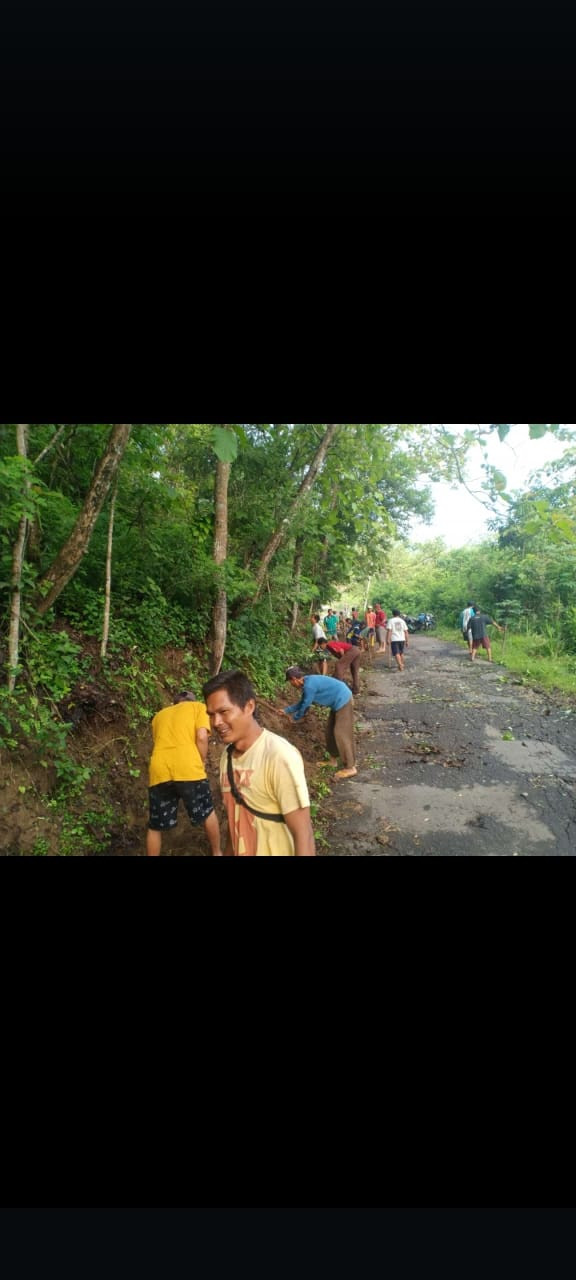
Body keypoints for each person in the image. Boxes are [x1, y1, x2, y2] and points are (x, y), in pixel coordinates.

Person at [203, 670, 316, 857]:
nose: (216, 722)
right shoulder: (227, 757)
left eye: (223, 712)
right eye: (211, 714)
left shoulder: (278, 756)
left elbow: (304, 834)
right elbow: (234, 827)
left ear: (249, 707)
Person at [147, 691, 223, 857]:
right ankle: (217, 852)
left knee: (155, 825)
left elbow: (159, 741)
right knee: (207, 811)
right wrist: (201, 761)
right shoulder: (198, 707)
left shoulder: (159, 715)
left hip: (159, 769)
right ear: (191, 701)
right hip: (188, 767)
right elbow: (202, 737)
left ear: (175, 703)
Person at [285, 667, 357, 780]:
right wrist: (286, 711)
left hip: (343, 700)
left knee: (341, 733)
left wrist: (295, 717)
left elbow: (305, 705)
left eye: (290, 682)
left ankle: (350, 767)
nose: (291, 684)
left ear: (294, 679)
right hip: (336, 703)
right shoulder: (307, 683)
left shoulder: (309, 686)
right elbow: (302, 702)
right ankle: (333, 760)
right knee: (330, 731)